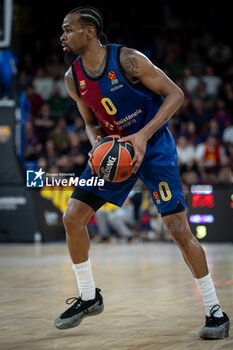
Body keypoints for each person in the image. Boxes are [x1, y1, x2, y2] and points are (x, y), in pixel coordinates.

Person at [54, 6, 230, 339]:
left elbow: (175, 94)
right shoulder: (71, 79)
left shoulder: (127, 60)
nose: (62, 36)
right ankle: (89, 296)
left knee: (178, 228)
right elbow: (90, 123)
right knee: (72, 217)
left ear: (89, 31)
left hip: (153, 147)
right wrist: (96, 145)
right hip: (113, 154)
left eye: (68, 29)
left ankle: (215, 311)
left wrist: (142, 136)